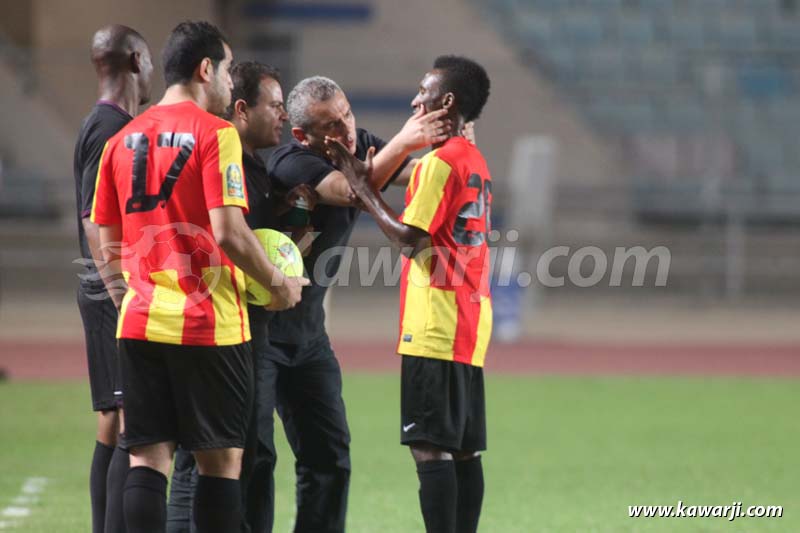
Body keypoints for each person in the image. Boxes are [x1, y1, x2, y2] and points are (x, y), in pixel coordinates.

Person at [90, 21, 307, 533]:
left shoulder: (121, 140)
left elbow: (106, 238)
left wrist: (130, 297)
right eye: (228, 70)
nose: (231, 83)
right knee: (221, 462)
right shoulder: (217, 134)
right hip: (209, 323)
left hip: (141, 324)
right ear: (206, 69)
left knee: (147, 460)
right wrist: (279, 284)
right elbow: (230, 231)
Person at [257, 75, 453, 533]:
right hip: (259, 333)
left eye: (347, 113)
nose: (346, 129)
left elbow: (413, 173)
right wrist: (406, 139)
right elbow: (350, 191)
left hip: (308, 336)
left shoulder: (358, 142)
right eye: (331, 124)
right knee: (254, 457)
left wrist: (451, 140)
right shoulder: (291, 161)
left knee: (329, 456)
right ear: (304, 136)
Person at [325, 55, 493, 533]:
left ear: (447, 101)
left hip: (434, 320)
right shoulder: (475, 159)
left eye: (424, 90)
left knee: (429, 445)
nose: (415, 99)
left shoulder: (439, 165)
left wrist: (362, 187)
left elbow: (409, 238)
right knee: (462, 445)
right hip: (469, 317)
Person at [166, 61, 312, 533]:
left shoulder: (254, 168)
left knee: (247, 450)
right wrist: (277, 282)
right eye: (275, 105)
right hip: (220, 325)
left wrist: (287, 226)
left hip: (246, 327)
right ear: (243, 110)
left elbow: (251, 235)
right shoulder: (221, 156)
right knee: (205, 454)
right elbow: (229, 236)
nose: (284, 116)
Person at [73, 24, 153, 533]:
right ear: (134, 62)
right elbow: (92, 215)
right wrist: (122, 289)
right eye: (148, 61)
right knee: (128, 420)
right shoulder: (110, 130)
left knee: (113, 419)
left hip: (102, 288)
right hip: (110, 292)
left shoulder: (99, 123)